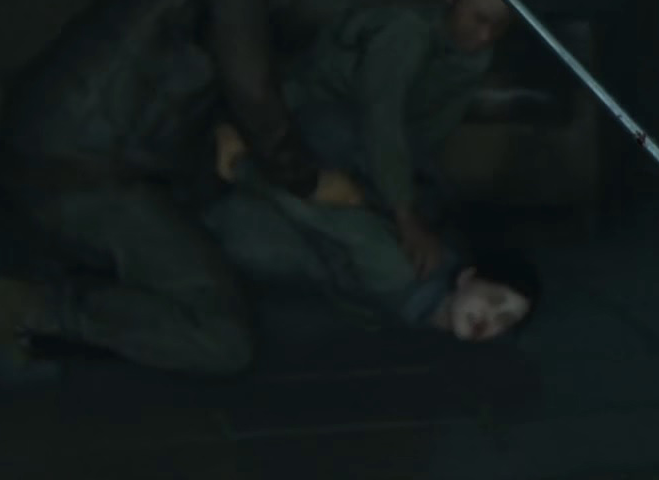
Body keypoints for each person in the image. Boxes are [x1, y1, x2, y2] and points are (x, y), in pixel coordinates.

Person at [0, 0, 362, 383]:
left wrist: (221, 124)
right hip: (83, 175)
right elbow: (252, 87)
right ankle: (33, 307)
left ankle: (70, 284)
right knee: (223, 338)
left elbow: (181, 60)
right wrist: (308, 179)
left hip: (51, 151)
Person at [280, 0, 530, 279]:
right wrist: (405, 215)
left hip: (378, 144)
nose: (485, 35)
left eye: (500, 25)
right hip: (323, 117)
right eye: (478, 19)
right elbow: (381, 120)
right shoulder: (405, 32)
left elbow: (426, 136)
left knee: (439, 205)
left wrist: (413, 194)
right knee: (382, 189)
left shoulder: (474, 57)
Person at [203, 119, 539, 342]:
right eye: (494, 300)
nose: (490, 320)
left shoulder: (426, 313)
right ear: (467, 278)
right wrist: (242, 167)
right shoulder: (401, 270)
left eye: (504, 321)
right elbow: (329, 218)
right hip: (268, 208)